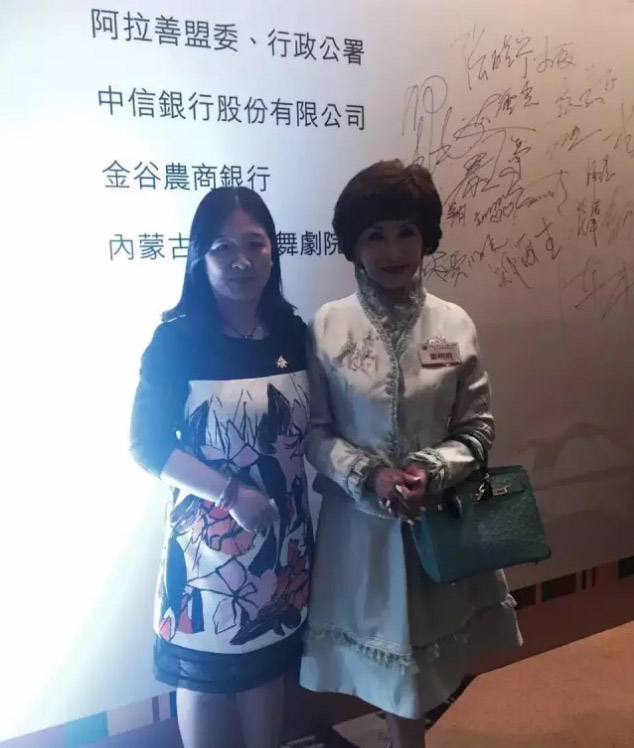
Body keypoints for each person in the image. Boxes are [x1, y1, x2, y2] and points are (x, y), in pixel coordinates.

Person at [299, 160, 522, 748]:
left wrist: (430, 470)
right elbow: (316, 434)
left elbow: (477, 428)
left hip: (439, 526)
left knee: (421, 679)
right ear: (354, 245)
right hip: (361, 536)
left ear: (427, 236)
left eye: (406, 232)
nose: (393, 250)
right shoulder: (328, 325)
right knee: (393, 680)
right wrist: (369, 475)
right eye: (375, 235)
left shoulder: (454, 322)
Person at [130, 187, 313, 748]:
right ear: (199, 257)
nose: (241, 260)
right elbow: (147, 445)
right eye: (222, 247)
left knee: (266, 668)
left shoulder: (293, 332)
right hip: (206, 547)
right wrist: (232, 495)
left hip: (282, 540)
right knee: (205, 677)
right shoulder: (176, 340)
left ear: (273, 251)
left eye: (255, 244)